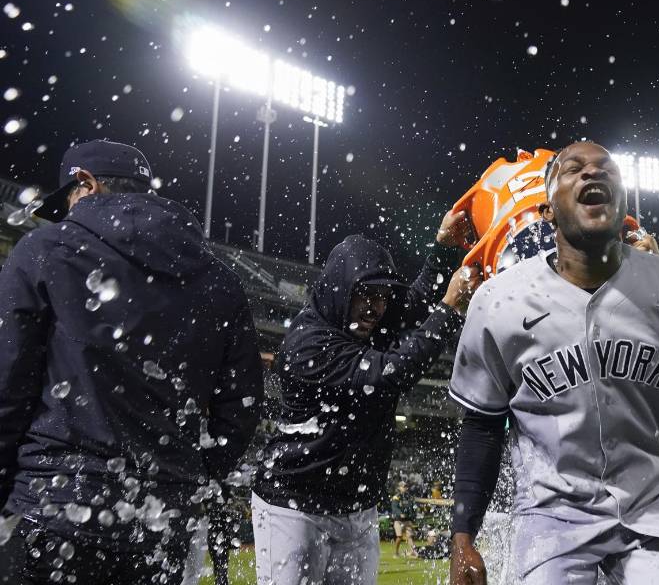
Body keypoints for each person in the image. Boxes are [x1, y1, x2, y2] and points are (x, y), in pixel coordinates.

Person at [449, 141, 659, 585]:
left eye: (607, 168)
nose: (593, 172)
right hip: (550, 520)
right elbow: (482, 427)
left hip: (652, 510)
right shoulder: (498, 300)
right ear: (548, 211)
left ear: (623, 206)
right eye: (573, 169)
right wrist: (463, 538)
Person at [0, 140, 264, 584]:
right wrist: (190, 476)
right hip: (162, 527)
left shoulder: (45, 248)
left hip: (52, 509)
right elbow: (241, 407)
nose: (66, 216)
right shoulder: (220, 278)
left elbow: (7, 383)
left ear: (85, 182)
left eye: (66, 202)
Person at [251, 222, 481, 585]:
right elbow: (388, 376)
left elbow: (416, 303)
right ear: (340, 288)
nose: (375, 307)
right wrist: (450, 310)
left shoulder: (362, 318)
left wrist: (443, 248)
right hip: (294, 505)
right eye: (365, 294)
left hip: (358, 507)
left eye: (382, 296)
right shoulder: (307, 342)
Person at [391, 481, 417, 557]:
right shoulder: (396, 497)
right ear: (399, 488)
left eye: (406, 487)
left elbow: (412, 507)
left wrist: (413, 515)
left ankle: (413, 552)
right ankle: (396, 552)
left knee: (410, 536)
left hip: (407, 520)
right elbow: (394, 508)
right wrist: (400, 513)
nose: (405, 488)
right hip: (398, 520)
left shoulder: (409, 497)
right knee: (399, 537)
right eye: (403, 487)